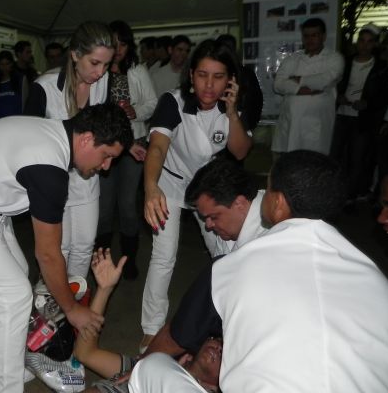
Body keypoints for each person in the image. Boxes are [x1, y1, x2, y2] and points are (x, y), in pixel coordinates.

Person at [0, 103, 133, 393]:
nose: (106, 167)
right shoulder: (49, 168)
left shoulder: (53, 134)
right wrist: (71, 309)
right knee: (12, 296)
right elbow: (48, 253)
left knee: (13, 279)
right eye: (106, 156)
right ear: (86, 139)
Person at [143, 150, 388, 392]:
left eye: (268, 188)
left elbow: (177, 336)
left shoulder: (236, 265)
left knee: (151, 367)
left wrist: (140, 367)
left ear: (279, 203)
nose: (261, 195)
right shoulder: (375, 278)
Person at [140, 38, 257, 352]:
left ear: (230, 79)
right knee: (164, 255)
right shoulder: (173, 101)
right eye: (203, 75)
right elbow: (158, 147)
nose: (209, 84)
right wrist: (151, 187)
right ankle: (151, 328)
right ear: (191, 74)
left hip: (209, 188)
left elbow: (240, 150)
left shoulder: (233, 105)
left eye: (218, 77)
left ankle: (227, 319)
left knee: (225, 250)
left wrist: (232, 114)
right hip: (170, 183)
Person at [24, 21, 145, 278]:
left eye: (106, 64)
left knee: (84, 247)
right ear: (75, 54)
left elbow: (106, 126)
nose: (100, 72)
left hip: (88, 179)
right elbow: (28, 140)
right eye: (95, 63)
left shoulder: (102, 81)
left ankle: (76, 296)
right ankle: (52, 299)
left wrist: (127, 145)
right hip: (53, 181)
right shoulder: (44, 87)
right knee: (60, 248)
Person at [72, 249, 221, 393]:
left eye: (225, 355)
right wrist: (104, 290)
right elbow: (85, 353)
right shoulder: (151, 363)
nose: (219, 348)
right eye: (219, 341)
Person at [95, 20, 157, 280]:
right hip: (105, 146)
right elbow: (93, 110)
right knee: (104, 206)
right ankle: (102, 261)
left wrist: (136, 111)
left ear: (129, 45)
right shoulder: (99, 70)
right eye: (114, 43)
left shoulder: (137, 69)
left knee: (128, 204)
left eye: (123, 43)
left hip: (135, 144)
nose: (118, 49)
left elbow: (152, 103)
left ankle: (129, 260)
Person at [330, 23, 388, 204]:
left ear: (375, 44)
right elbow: (333, 84)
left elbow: (383, 96)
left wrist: (367, 104)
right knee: (336, 155)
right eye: (362, 40)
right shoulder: (346, 62)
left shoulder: (381, 67)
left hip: (362, 119)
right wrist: (338, 96)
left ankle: (350, 196)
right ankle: (334, 192)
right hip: (342, 114)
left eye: (369, 41)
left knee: (357, 158)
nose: (365, 45)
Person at [272, 17, 344, 155]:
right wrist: (299, 90)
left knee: (314, 162)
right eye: (306, 36)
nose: (309, 40)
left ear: (323, 36)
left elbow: (324, 81)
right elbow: (278, 84)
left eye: (314, 35)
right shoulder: (292, 59)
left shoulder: (334, 58)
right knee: (289, 162)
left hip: (317, 126)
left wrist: (298, 79)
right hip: (290, 124)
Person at [184, 157, 267, 253]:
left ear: (239, 203)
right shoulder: (230, 227)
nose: (208, 225)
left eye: (213, 217)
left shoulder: (273, 238)